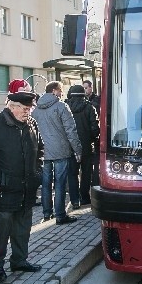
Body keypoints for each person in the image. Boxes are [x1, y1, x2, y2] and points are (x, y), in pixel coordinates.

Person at [0, 85, 44, 282]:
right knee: (2, 226)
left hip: (26, 187)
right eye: (24, 108)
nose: (27, 112)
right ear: (12, 106)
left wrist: (38, 172)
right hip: (2, 188)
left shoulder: (31, 124)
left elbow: (40, 149)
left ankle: (19, 260)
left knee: (23, 225)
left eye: (29, 109)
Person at [31, 81, 83, 224]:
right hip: (60, 151)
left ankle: (47, 213)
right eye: (60, 90)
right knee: (60, 183)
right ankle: (60, 215)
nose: (61, 93)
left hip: (43, 153)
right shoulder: (61, 106)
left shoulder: (35, 110)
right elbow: (70, 130)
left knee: (46, 183)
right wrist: (77, 150)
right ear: (54, 91)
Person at [66, 85, 100, 208]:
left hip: (70, 146)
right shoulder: (89, 107)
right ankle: (85, 197)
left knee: (72, 173)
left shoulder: (66, 108)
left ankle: (75, 200)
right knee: (86, 173)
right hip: (86, 145)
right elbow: (95, 128)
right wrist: (91, 138)